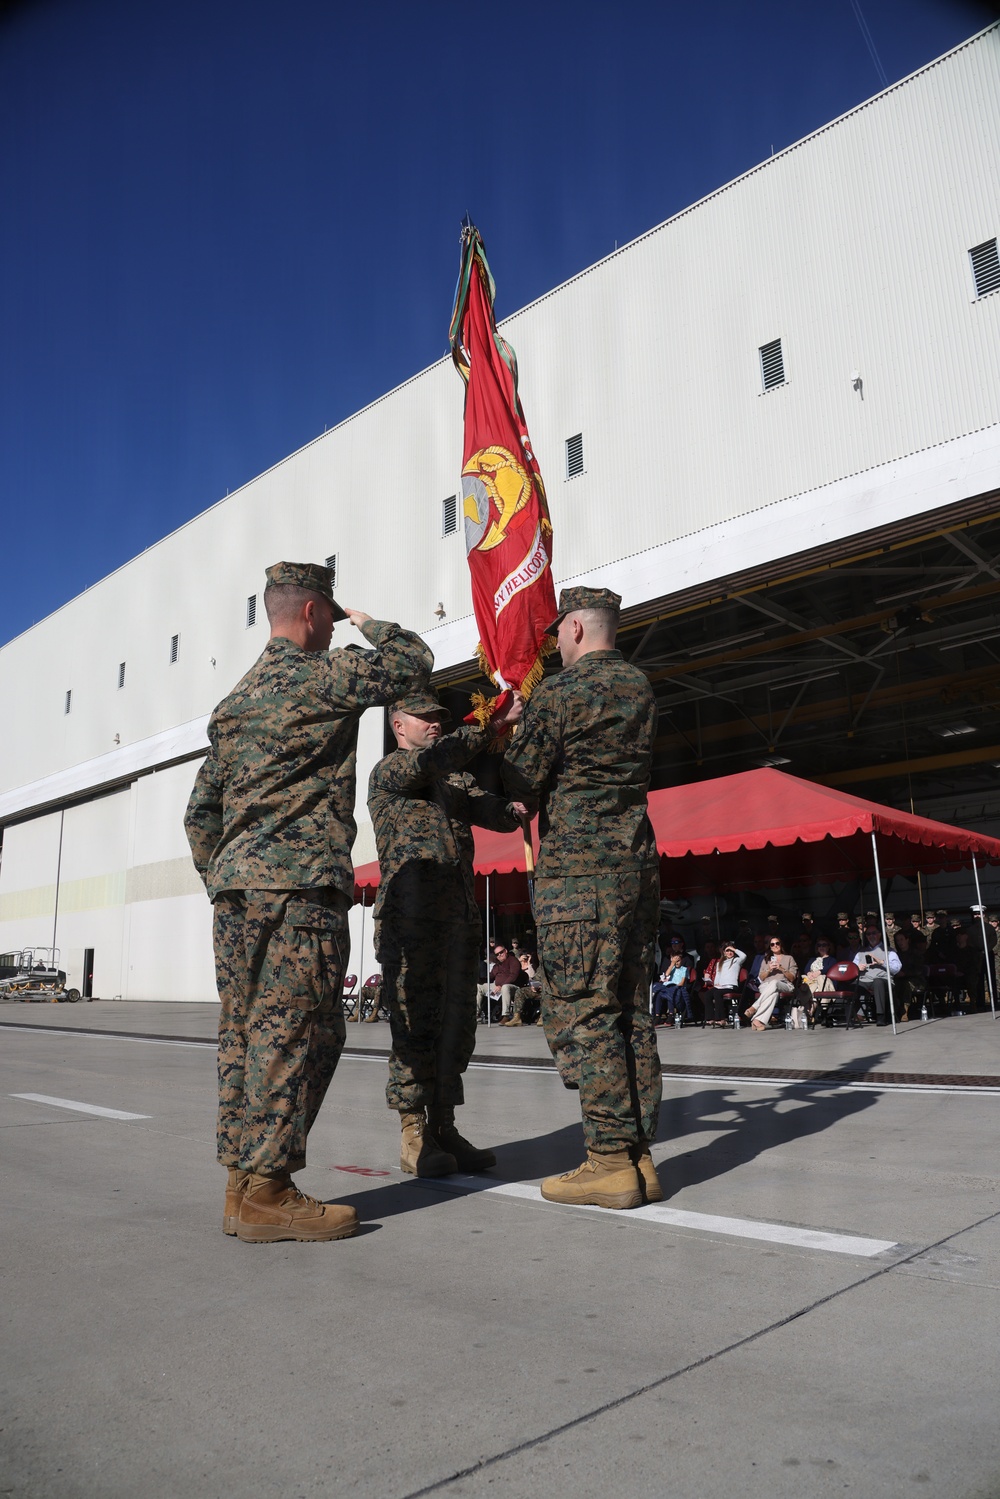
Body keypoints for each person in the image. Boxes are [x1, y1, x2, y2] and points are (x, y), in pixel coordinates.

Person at [184, 561, 431, 1243]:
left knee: (244, 1035)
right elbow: (414, 661)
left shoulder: (234, 703)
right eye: (331, 613)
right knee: (302, 1034)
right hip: (298, 894)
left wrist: (227, 874)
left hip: (237, 898)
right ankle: (269, 1190)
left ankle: (242, 1184)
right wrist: (367, 622)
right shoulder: (326, 675)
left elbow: (200, 810)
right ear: (316, 613)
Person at [503, 585, 662, 1211]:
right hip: (635, 864)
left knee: (584, 1011)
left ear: (572, 629)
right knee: (630, 1009)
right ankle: (638, 1154)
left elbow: (522, 782)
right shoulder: (638, 687)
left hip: (579, 873)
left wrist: (512, 730)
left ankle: (606, 1160)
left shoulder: (560, 694)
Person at [368, 687, 525, 1176]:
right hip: (410, 924)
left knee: (456, 1028)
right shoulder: (392, 771)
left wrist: (519, 804)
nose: (435, 723)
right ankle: (414, 1133)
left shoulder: (452, 777)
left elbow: (494, 813)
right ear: (399, 725)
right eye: (425, 718)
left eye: (439, 717)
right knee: (415, 1027)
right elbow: (438, 757)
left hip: (458, 922)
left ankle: (445, 1126)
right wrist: (493, 724)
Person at [853, 923, 902, 1027]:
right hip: (864, 979)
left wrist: (881, 962)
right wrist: (857, 968)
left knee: (878, 982)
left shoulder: (889, 950)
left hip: (883, 979)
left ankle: (881, 1016)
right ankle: (838, 1014)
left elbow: (896, 968)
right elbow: (852, 968)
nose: (871, 936)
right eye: (868, 934)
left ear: (880, 934)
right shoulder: (861, 952)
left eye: (874, 933)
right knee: (851, 985)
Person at [745, 937, 797, 1030]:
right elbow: (761, 977)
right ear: (770, 947)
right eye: (772, 944)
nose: (775, 946)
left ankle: (755, 1006)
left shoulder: (789, 958)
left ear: (781, 945)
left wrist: (781, 968)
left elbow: (792, 978)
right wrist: (769, 969)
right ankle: (757, 1021)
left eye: (777, 943)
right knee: (774, 993)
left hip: (784, 984)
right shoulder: (766, 959)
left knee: (774, 982)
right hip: (766, 985)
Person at [701, 940, 745, 1027]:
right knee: (708, 994)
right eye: (727, 951)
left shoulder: (736, 960)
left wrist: (733, 949)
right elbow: (718, 975)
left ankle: (721, 1018)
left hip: (730, 985)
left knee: (717, 993)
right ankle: (710, 1018)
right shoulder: (720, 963)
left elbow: (744, 956)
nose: (729, 952)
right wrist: (716, 984)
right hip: (721, 986)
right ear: (724, 952)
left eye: (731, 951)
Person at [652, 942, 690, 1025]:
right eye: (674, 961)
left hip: (677, 988)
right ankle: (657, 1015)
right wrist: (672, 964)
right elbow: (666, 975)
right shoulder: (671, 968)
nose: (676, 963)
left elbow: (682, 982)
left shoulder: (684, 969)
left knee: (670, 994)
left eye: (678, 961)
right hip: (668, 987)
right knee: (658, 994)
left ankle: (671, 1015)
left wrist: (674, 986)